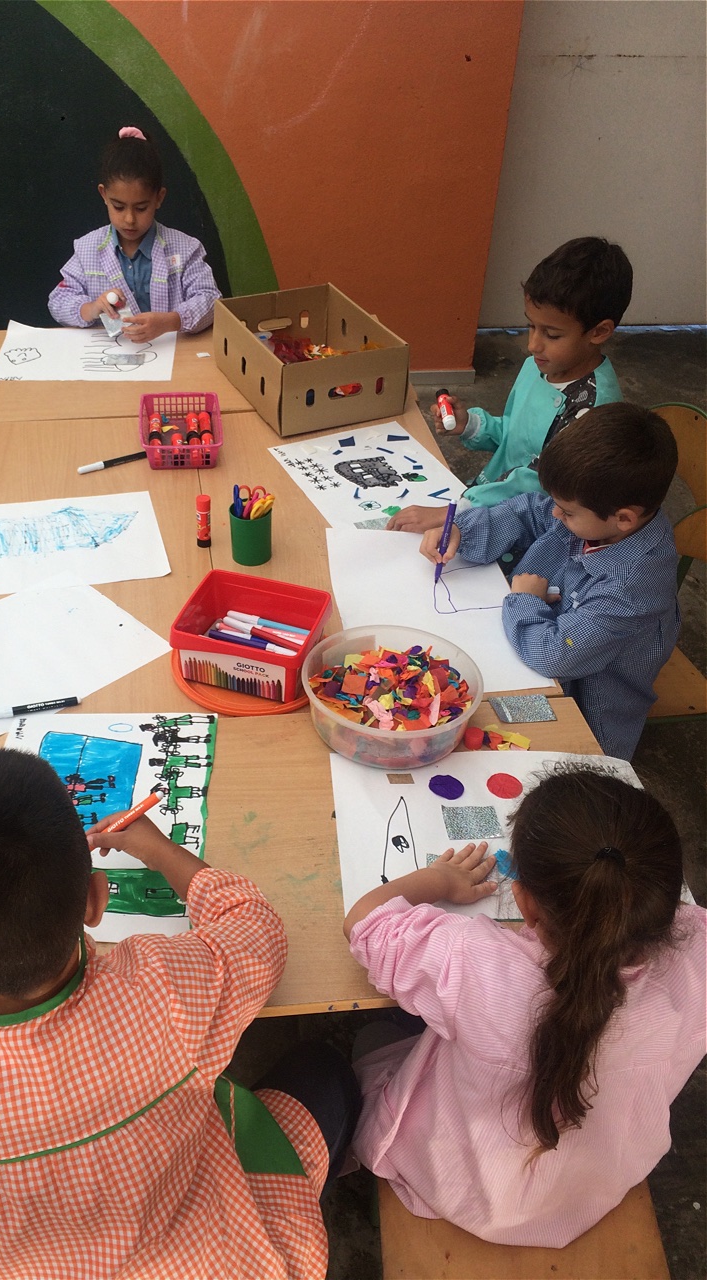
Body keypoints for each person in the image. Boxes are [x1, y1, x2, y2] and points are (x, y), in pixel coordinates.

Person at [0, 749, 358, 1280]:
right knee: (326, 1071)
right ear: (94, 901)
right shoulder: (163, 992)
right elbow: (255, 928)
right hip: (207, 1260)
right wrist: (160, 851)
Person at [343, 766, 706, 1248]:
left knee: (370, 1040)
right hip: (588, 1190)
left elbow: (365, 921)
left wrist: (437, 879)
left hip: (461, 1185)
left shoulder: (475, 963)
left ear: (526, 905)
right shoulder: (699, 954)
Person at [421, 403, 679, 760]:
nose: (555, 513)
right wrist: (464, 532)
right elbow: (529, 510)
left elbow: (555, 655)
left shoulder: (631, 588)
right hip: (534, 655)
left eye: (567, 512)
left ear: (624, 519)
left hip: (584, 713)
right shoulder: (597, 513)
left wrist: (525, 600)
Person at [390, 236, 631, 534]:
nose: (533, 345)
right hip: (487, 500)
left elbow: (541, 483)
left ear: (599, 332)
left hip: (533, 524)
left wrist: (456, 511)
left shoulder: (593, 410)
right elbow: (515, 437)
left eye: (552, 335)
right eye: (531, 326)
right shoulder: (539, 365)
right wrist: (469, 425)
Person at [48, 126, 221, 342]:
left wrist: (170, 321)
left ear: (159, 198)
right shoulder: (88, 249)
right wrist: (91, 308)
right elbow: (58, 300)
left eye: (141, 208)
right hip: (112, 354)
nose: (129, 219)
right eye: (119, 207)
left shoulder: (185, 249)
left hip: (171, 353)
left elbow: (211, 300)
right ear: (104, 194)